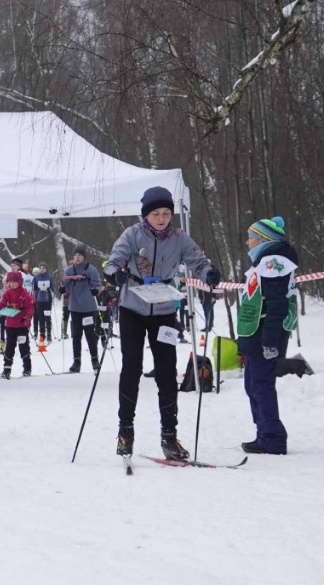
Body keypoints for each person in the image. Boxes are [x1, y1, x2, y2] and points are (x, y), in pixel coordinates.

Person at [104, 186, 220, 460]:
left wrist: (208, 273)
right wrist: (114, 275)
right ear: (146, 214)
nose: (161, 219)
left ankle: (169, 436)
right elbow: (113, 262)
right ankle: (125, 431)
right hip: (133, 307)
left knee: (167, 372)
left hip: (165, 308)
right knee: (132, 367)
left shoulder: (179, 237)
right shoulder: (132, 234)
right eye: (156, 213)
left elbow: (198, 261)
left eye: (166, 213)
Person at [236, 217, 298, 455]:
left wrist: (270, 340)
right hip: (256, 333)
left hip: (264, 334)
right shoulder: (264, 261)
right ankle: (264, 432)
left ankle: (272, 437)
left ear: (263, 239)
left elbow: (276, 304)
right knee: (252, 384)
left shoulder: (274, 263)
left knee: (261, 386)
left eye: (251, 237)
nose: (247, 242)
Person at [62, 245, 102, 373]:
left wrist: (96, 290)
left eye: (79, 255)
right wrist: (63, 289)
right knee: (76, 336)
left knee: (90, 335)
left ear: (84, 256)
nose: (77, 257)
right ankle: (76, 362)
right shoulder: (69, 270)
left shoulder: (91, 270)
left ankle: (95, 360)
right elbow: (66, 285)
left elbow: (98, 284)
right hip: (75, 308)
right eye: (75, 255)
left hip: (88, 308)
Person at [0, 270, 34, 378]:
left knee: (24, 347)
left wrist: (28, 318)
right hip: (10, 325)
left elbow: (30, 308)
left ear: (19, 281)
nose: (12, 284)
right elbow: (2, 304)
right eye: (10, 282)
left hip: (22, 325)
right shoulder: (7, 293)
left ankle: (27, 368)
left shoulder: (24, 293)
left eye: (14, 282)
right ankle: (6, 369)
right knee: (9, 348)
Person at [33, 264, 54, 343]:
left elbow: (52, 286)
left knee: (47, 317)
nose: (42, 269)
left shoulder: (49, 276)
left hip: (47, 299)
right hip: (39, 299)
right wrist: (38, 288)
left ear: (46, 269)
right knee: (40, 317)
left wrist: (48, 287)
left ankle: (49, 333)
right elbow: (34, 287)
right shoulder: (36, 277)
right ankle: (42, 333)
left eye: (43, 268)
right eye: (41, 268)